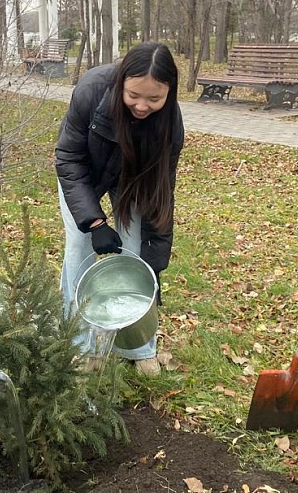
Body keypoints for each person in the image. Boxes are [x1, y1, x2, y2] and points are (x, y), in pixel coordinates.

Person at [55, 41, 184, 377]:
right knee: (79, 250)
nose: (142, 106)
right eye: (134, 96)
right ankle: (82, 344)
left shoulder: (170, 124)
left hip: (132, 181)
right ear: (121, 81)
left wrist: (154, 261)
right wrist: (95, 222)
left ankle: (137, 345)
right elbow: (69, 159)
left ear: (170, 92)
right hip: (83, 174)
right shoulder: (91, 91)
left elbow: (160, 193)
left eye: (154, 99)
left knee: (134, 250)